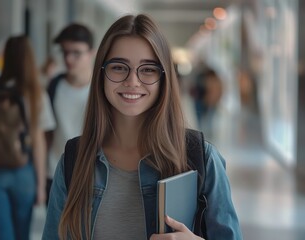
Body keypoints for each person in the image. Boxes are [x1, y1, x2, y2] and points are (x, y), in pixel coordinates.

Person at [43, 14, 242, 240]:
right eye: (119, 67)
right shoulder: (74, 161)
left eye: (148, 69)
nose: (132, 81)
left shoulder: (201, 158)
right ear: (101, 74)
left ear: (163, 78)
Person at [0, 35, 55, 240]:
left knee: (1, 235)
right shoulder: (36, 93)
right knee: (22, 235)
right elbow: (39, 142)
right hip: (24, 173)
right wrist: (40, 185)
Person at [45, 23, 94, 204]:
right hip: (55, 172)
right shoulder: (54, 85)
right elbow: (46, 132)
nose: (69, 59)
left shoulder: (101, 88)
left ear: (91, 53)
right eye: (65, 52)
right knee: (55, 231)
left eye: (76, 53)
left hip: (90, 174)